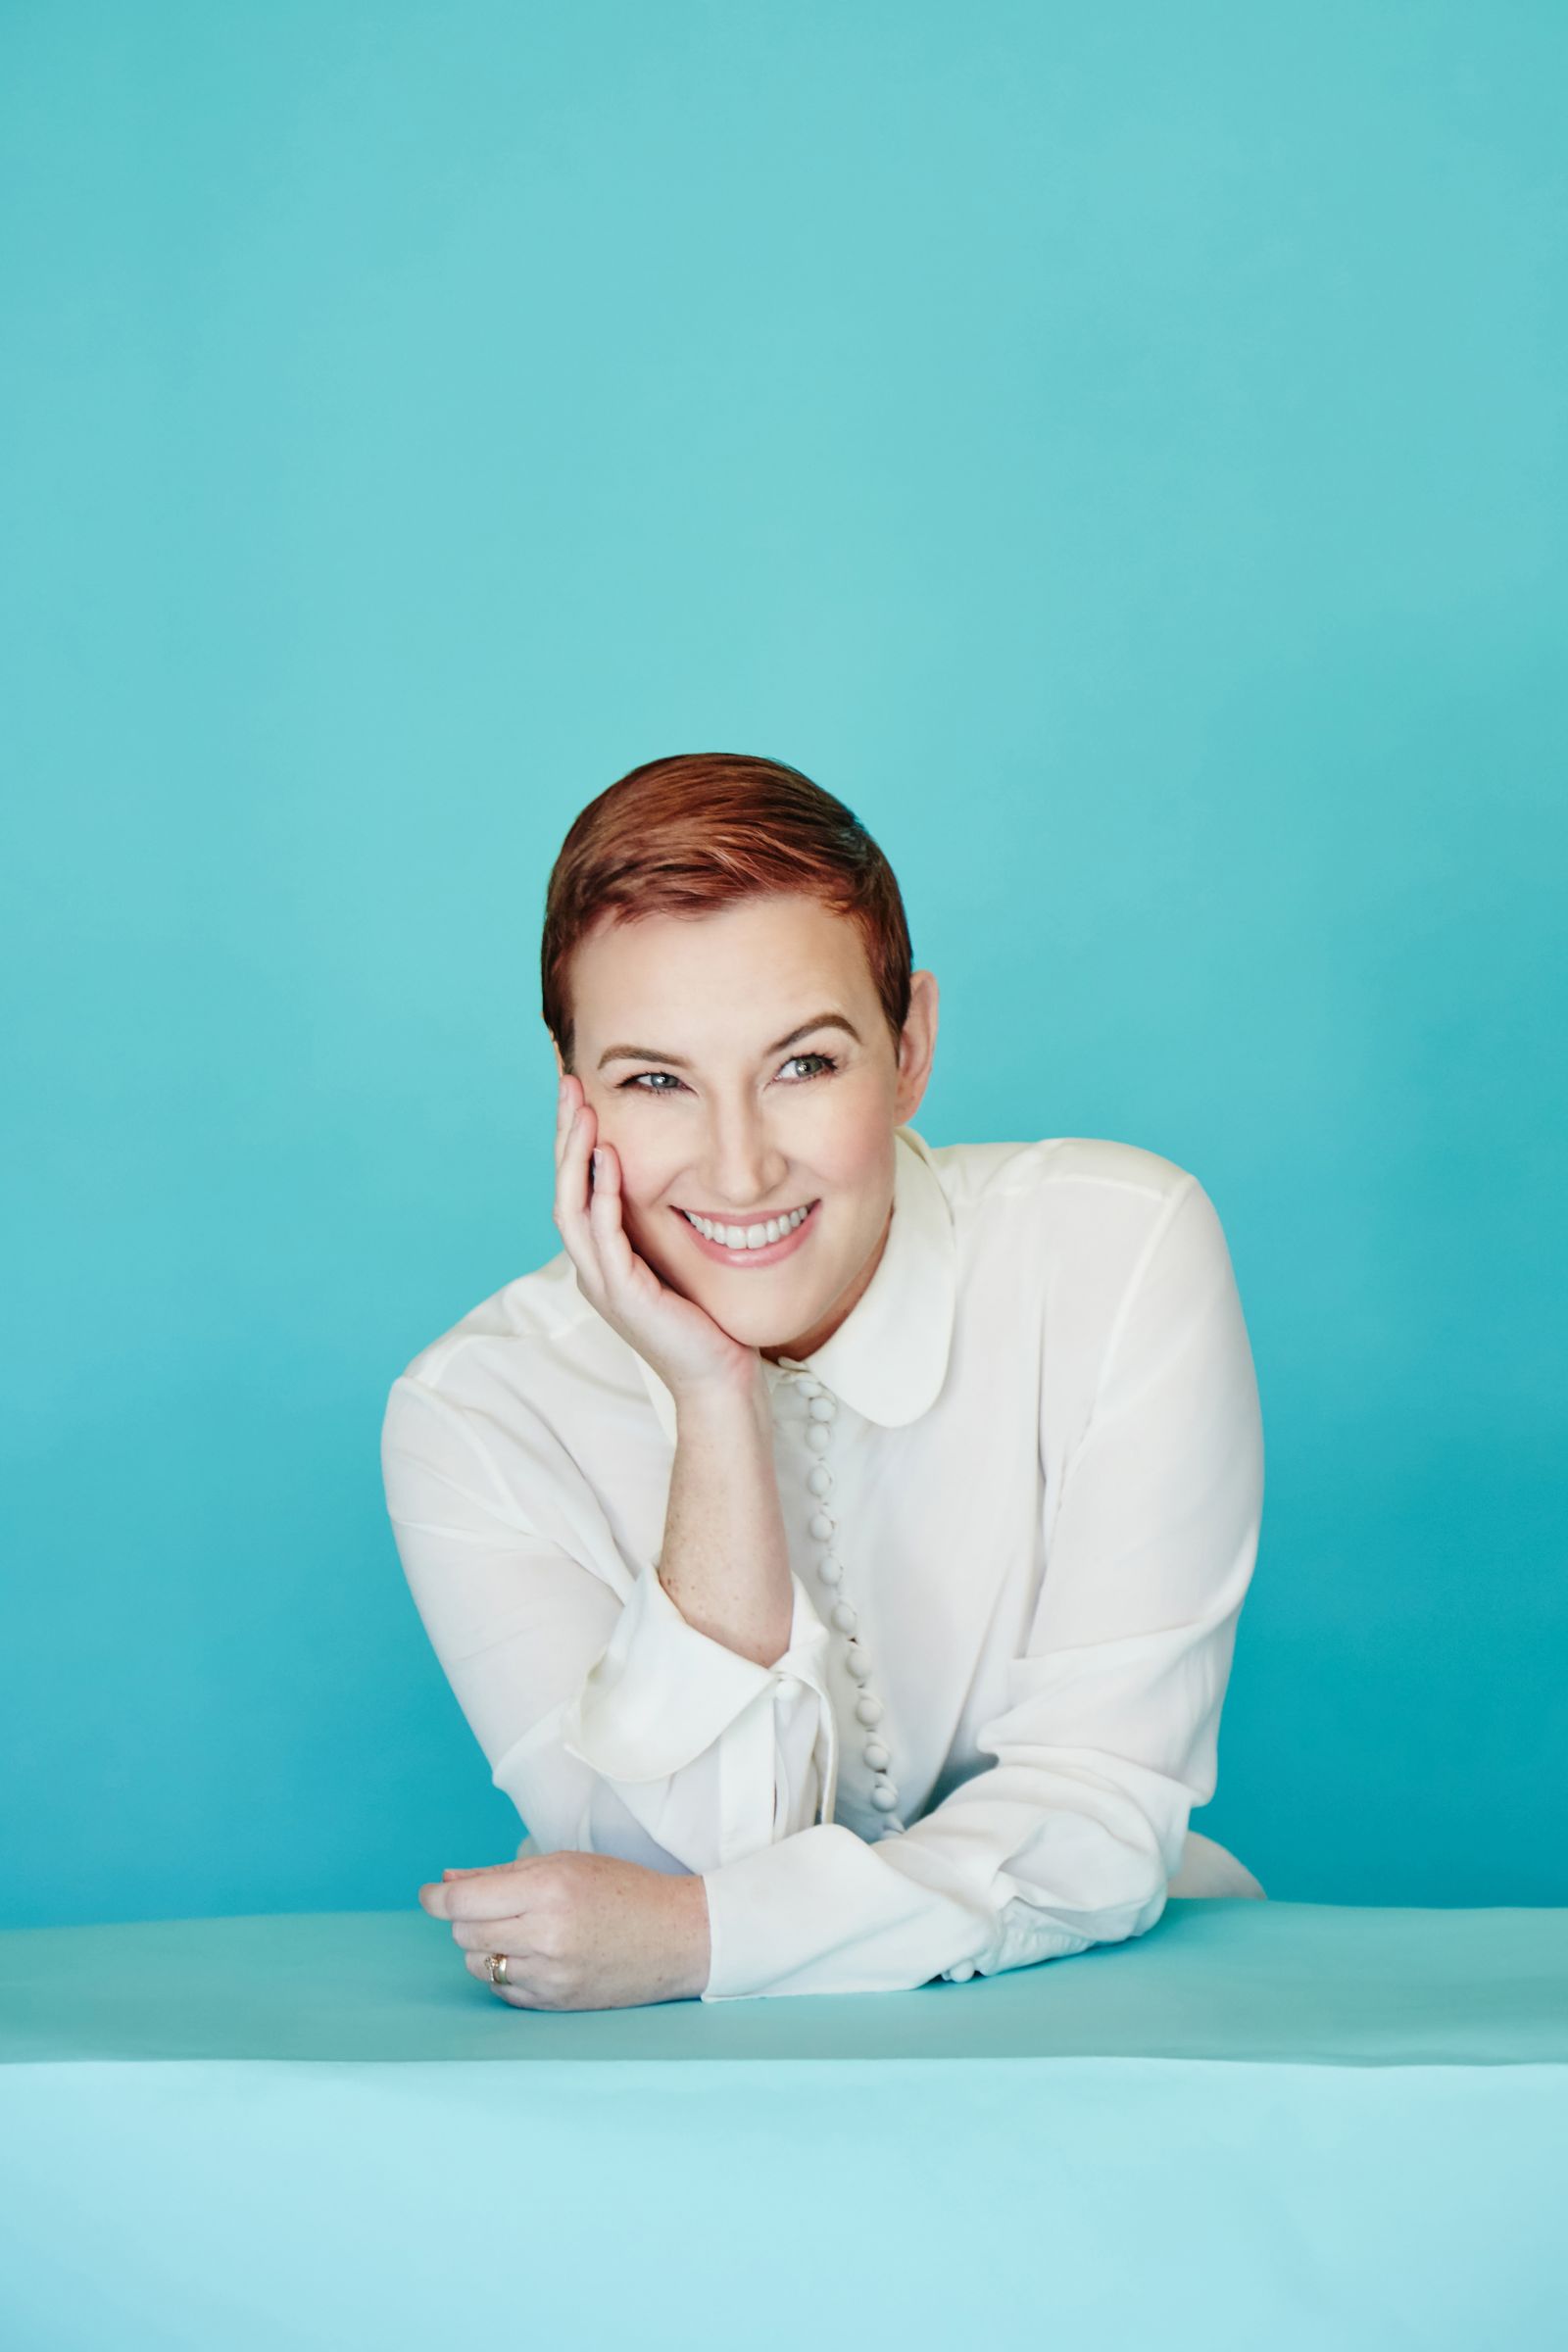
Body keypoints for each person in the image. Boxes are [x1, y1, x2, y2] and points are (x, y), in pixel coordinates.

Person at [381, 752, 1266, 2011]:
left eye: (804, 1064)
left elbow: (1098, 1812)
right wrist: (710, 1400)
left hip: (1111, 2019)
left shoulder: (1117, 1250)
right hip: (692, 2116)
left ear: (909, 1049)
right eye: (654, 1082)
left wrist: (699, 1940)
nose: (739, 1171)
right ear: (574, 1106)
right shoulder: (474, 1415)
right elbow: (671, 1859)